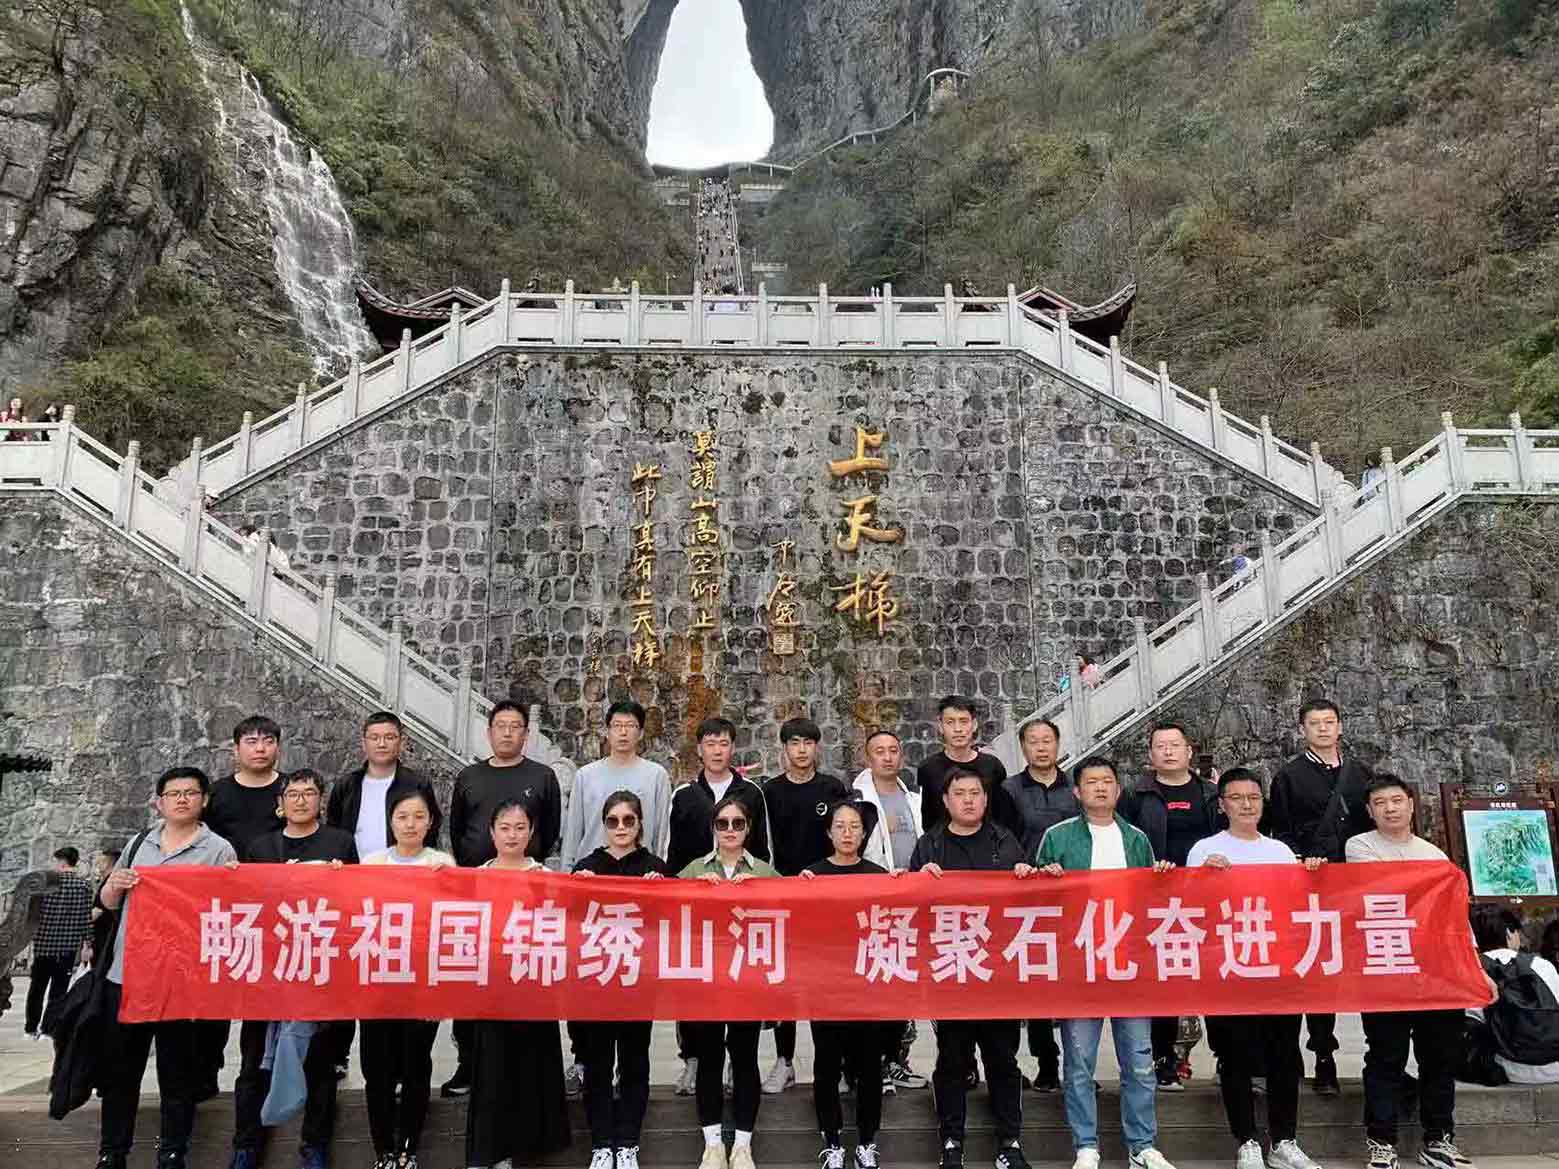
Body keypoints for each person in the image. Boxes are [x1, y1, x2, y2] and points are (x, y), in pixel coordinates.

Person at [1035, 756, 1177, 1169]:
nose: (1100, 788)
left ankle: (1142, 1146)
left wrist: (1163, 874)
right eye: (1091, 782)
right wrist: (1046, 876)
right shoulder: (1057, 837)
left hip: (1128, 964)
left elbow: (1152, 900)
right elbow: (1035, 901)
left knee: (1139, 1061)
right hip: (1079, 964)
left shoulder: (1136, 839)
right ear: (1077, 792)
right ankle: (1086, 1145)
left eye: (1107, 781)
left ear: (1118, 790)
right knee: (1079, 1062)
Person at [95, 766, 238, 1169]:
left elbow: (226, 911)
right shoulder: (139, 842)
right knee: (121, 1073)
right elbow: (108, 903)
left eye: (190, 793)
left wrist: (231, 884)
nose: (181, 799)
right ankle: (112, 1152)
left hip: (182, 980)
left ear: (204, 800)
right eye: (173, 793)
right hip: (129, 976)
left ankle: (173, 1151)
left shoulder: (219, 850)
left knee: (178, 1075)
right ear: (159, 802)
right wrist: (114, 885)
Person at [1186, 769, 1325, 1169]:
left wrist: (1314, 874)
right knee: (1235, 1056)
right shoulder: (1205, 850)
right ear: (1222, 804)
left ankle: (1284, 1140)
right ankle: (1246, 1139)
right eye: (1237, 798)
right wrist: (1203, 878)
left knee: (1284, 1055)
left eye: (1253, 797)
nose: (1246, 805)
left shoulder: (1280, 852)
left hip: (1276, 967)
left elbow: (1297, 906)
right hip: (1227, 968)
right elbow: (1190, 908)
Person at [1345, 775, 1478, 1169]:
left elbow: (1454, 917)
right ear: (1369, 811)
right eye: (1380, 802)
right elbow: (1385, 889)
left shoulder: (1435, 855)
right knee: (1385, 1057)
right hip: (1386, 966)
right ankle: (1381, 1143)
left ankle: (1438, 1139)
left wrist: (1473, 967)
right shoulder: (1360, 845)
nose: (1390, 808)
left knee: (1438, 1058)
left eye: (1397, 800)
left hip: (1436, 971)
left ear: (1411, 804)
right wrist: (1427, 887)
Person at [231, 769, 356, 1169]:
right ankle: (246, 1145)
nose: (301, 800)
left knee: (320, 1064)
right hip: (268, 969)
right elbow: (245, 902)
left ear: (322, 800)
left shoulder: (340, 843)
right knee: (253, 1064)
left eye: (309, 793)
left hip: (319, 969)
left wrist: (340, 879)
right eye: (293, 794)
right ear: (280, 804)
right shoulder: (260, 846)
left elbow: (356, 902)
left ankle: (314, 1146)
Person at [910, 768, 1031, 1169]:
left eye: (975, 793)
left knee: (1003, 1060)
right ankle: (951, 1143)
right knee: (952, 1061)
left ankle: (1010, 1143)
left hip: (997, 972)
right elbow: (911, 908)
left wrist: (1025, 876)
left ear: (985, 798)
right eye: (959, 793)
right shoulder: (930, 845)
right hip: (952, 970)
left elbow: (1025, 905)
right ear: (945, 801)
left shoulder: (1005, 841)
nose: (968, 800)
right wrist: (918, 881)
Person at [444, 699, 562, 1097]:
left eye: (515, 726)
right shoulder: (470, 776)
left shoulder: (542, 776)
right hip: (479, 896)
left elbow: (549, 831)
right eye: (501, 726)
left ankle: (528, 1070)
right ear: (489, 731)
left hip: (528, 899)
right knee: (473, 979)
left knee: (524, 979)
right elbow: (457, 830)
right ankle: (468, 1064)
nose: (507, 732)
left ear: (526, 734)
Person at [325, 711, 442, 1082]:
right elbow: (336, 831)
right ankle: (341, 1053)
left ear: (401, 742)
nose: (382, 743)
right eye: (374, 737)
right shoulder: (348, 785)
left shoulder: (415, 783)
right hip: (357, 893)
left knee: (403, 969)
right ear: (364, 742)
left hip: (406, 892)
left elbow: (431, 828)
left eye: (389, 737)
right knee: (354, 970)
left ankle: (408, 1059)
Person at [1268, 698, 1375, 1095]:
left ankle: (1381, 1056)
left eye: (1330, 721)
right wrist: (1300, 863)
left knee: (1366, 966)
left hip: (1355, 885)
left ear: (1340, 726)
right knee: (1314, 968)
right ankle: (1321, 1054)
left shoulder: (1361, 773)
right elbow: (1281, 831)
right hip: (1310, 886)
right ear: (1303, 730)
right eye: (1315, 723)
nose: (1324, 729)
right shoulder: (1289, 776)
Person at [465, 797, 572, 1169]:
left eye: (520, 828)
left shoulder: (546, 878)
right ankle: (490, 1152)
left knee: (530, 1072)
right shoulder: (473, 878)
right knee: (491, 1073)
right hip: (490, 992)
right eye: (505, 828)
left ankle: (525, 1153)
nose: (512, 835)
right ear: (492, 832)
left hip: (533, 990)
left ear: (531, 833)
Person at [679, 794, 781, 1169]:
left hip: (747, 980)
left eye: (738, 823)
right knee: (709, 1057)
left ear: (748, 828)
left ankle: (742, 1144)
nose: (730, 830)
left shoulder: (764, 872)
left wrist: (762, 892)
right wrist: (693, 890)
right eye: (723, 824)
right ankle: (712, 1145)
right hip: (706, 980)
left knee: (744, 1057)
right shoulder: (694, 869)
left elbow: (793, 908)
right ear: (713, 828)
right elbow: (666, 910)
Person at [573, 791, 671, 1169]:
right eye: (613, 821)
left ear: (640, 824)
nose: (621, 828)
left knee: (634, 1063)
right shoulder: (587, 866)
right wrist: (576, 888)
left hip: (637, 981)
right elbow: (568, 922)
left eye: (628, 820)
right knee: (597, 1065)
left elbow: (673, 920)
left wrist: (661, 889)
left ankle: (628, 1143)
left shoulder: (654, 867)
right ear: (604, 825)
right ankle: (601, 1144)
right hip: (596, 982)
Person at [1119, 722, 1220, 1090]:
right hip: (1157, 901)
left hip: (1206, 899)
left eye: (1175, 745)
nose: (1168, 751)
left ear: (1189, 751)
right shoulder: (1137, 795)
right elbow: (1127, 842)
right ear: (1151, 755)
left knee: (1213, 976)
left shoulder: (1210, 793)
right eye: (1160, 746)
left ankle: (1225, 1057)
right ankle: (1163, 1059)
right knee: (1163, 979)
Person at [801, 800, 899, 1169]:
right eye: (840, 826)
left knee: (869, 1066)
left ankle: (867, 1142)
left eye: (854, 826)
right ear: (829, 832)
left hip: (867, 986)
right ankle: (832, 1141)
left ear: (863, 833)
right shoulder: (812, 875)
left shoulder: (878, 875)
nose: (847, 833)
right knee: (826, 1065)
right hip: (825, 986)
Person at [359, 790, 453, 1169]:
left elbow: (452, 924)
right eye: (402, 817)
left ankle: (408, 1150)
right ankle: (383, 1149)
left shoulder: (442, 864)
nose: (410, 824)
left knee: (416, 1065)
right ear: (390, 821)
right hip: (377, 983)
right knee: (376, 1069)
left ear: (430, 822)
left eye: (418, 816)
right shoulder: (371, 864)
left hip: (423, 983)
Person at [201, 715, 289, 1099]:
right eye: (251, 741)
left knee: (268, 993)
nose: (260, 748)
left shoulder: (291, 790)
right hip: (226, 908)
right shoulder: (217, 794)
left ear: (278, 746)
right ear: (235, 749)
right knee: (218, 989)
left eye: (268, 740)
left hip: (278, 910)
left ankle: (261, 1071)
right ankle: (207, 1069)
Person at [759, 716, 848, 1094]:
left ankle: (833, 1064)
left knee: (826, 982)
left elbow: (846, 837)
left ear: (817, 747)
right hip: (784, 899)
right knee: (786, 984)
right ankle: (784, 1061)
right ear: (784, 749)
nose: (801, 750)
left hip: (826, 900)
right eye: (794, 743)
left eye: (807, 743)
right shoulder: (769, 791)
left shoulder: (832, 788)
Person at [1000, 718, 1078, 1092]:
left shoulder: (1075, 787)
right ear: (1023, 747)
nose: (1042, 747)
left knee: (1072, 983)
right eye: (1034, 741)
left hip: (1072, 897)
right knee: (1036, 984)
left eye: (1048, 740)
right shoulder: (1009, 790)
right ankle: (1046, 1063)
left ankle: (1078, 1068)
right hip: (1027, 898)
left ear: (1058, 744)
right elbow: (1004, 838)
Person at [850, 729, 929, 1092]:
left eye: (893, 750)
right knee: (875, 982)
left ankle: (898, 1059)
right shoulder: (857, 800)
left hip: (912, 899)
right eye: (879, 751)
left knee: (905, 982)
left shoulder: (914, 798)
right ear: (868, 758)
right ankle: (871, 1063)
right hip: (874, 900)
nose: (887, 757)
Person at [562, 699, 672, 868]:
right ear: (607, 732)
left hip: (641, 873)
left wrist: (658, 872)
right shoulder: (585, 776)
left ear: (641, 733)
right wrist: (567, 872)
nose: (623, 732)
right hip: (591, 872)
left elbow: (662, 835)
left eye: (630, 725)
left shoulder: (657, 776)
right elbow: (572, 834)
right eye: (617, 725)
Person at [1465, 906, 1559, 1085]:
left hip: (1507, 1069)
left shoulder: (1473, 970)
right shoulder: (1542, 965)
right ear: (1509, 932)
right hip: (1554, 1066)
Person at [916, 695, 1020, 837]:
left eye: (963, 721)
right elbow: (928, 821)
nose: (958, 729)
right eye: (950, 722)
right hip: (944, 847)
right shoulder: (928, 769)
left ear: (974, 724)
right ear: (940, 726)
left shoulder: (992, 766)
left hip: (989, 845)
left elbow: (1004, 816)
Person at [24, 846, 91, 1039]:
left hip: (43, 945)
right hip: (67, 947)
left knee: (36, 989)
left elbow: (33, 916)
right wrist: (88, 943)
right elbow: (85, 919)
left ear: (61, 862)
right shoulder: (84, 887)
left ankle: (31, 1029)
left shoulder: (46, 885)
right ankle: (48, 1029)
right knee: (58, 991)